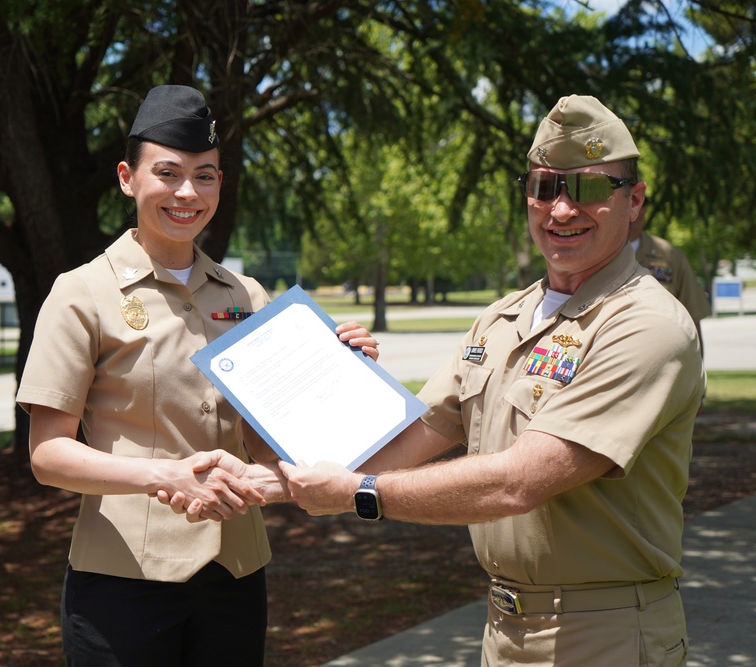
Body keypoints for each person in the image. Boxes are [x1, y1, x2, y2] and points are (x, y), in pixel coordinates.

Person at [259, 95, 702, 665]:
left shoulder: (646, 324)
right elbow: (407, 436)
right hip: (504, 629)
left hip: (605, 634)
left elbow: (519, 482)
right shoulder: (501, 318)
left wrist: (358, 497)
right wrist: (269, 479)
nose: (562, 210)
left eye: (589, 189)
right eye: (545, 188)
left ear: (634, 200)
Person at [15, 84, 378, 667]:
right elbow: (48, 455)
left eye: (205, 175)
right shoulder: (82, 292)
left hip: (234, 572)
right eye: (168, 172)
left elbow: (269, 444)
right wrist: (165, 476)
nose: (187, 192)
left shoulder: (249, 297)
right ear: (127, 178)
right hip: (123, 577)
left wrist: (343, 375)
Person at [630, 198, 711, 340]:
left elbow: (692, 317)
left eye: (641, 201)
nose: (636, 208)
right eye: (629, 198)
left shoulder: (669, 255)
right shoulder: (591, 253)